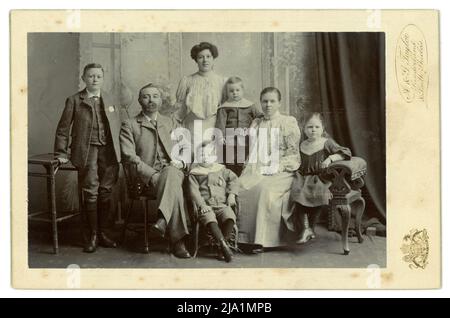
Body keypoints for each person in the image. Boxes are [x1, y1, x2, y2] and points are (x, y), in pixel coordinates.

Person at [54, 63, 121, 253]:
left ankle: (104, 233)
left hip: (109, 151)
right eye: (90, 76)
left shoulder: (110, 99)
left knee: (106, 190)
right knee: (90, 191)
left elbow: (118, 126)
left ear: (103, 78)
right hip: (86, 151)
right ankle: (90, 235)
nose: (94, 80)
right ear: (83, 78)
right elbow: (63, 129)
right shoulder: (74, 100)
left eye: (98, 76)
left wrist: (122, 150)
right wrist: (61, 152)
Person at [119, 83, 192, 258]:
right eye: (146, 96)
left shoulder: (171, 122)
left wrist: (182, 162)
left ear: (160, 100)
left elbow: (186, 148)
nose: (151, 100)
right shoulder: (130, 124)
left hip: (173, 171)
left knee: (172, 172)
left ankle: (162, 220)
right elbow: (129, 157)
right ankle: (177, 241)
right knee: (172, 181)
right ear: (139, 100)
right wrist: (151, 174)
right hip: (145, 180)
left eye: (155, 96)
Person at [237, 87, 301, 250]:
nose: (268, 105)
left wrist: (274, 168)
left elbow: (292, 154)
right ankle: (242, 238)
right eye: (265, 101)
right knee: (239, 187)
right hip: (257, 168)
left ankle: (261, 240)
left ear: (279, 103)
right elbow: (252, 152)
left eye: (272, 101)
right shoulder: (256, 124)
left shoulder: (287, 122)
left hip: (282, 170)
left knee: (263, 189)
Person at [290, 112, 351, 244]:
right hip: (302, 176)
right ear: (304, 129)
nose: (313, 130)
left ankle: (310, 228)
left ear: (323, 128)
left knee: (316, 193)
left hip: (321, 177)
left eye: (317, 127)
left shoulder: (326, 143)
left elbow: (345, 153)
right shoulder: (302, 144)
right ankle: (306, 229)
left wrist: (330, 158)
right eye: (309, 127)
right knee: (296, 192)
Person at [188, 140, 239, 262]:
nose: (205, 158)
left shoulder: (221, 169)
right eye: (201, 155)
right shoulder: (195, 173)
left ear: (215, 157)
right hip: (206, 206)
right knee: (209, 218)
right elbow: (193, 191)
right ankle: (222, 245)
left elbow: (234, 180)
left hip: (222, 205)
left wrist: (231, 194)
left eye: (209, 155)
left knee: (230, 216)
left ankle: (222, 245)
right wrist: (201, 205)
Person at [174, 41, 227, 146]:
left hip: (213, 126)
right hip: (192, 126)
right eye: (200, 57)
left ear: (213, 58)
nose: (205, 60)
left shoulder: (222, 81)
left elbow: (225, 109)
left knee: (210, 158)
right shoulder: (187, 81)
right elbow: (180, 109)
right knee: (194, 157)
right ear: (196, 60)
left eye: (208, 56)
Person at [215, 76, 263, 176]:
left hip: (246, 140)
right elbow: (221, 123)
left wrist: (256, 124)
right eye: (231, 91)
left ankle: (241, 181)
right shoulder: (225, 107)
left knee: (243, 161)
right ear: (227, 92)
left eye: (237, 90)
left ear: (242, 90)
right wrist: (220, 136)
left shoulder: (250, 106)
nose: (235, 93)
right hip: (229, 140)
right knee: (230, 161)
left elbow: (260, 116)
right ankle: (231, 181)